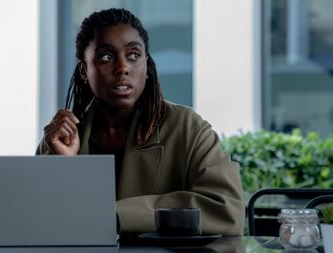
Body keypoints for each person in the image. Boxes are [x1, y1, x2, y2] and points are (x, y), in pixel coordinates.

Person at [36, 8, 244, 235]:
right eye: (107, 56)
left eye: (133, 55)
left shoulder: (187, 128)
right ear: (85, 70)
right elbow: (35, 220)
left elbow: (226, 209)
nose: (123, 68)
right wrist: (65, 165)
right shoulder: (59, 138)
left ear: (147, 66)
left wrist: (115, 215)